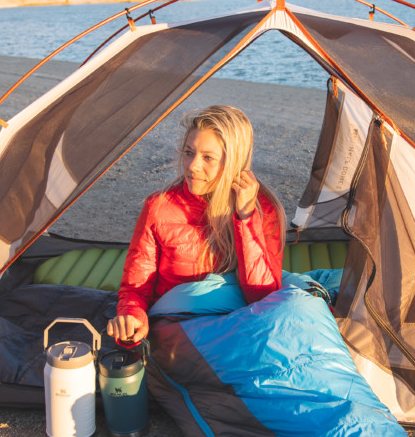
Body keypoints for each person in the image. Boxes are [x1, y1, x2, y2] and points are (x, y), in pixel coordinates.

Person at [107, 105, 285, 346]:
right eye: (189, 152)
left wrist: (245, 217)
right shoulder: (159, 207)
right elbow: (136, 289)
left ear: (233, 162)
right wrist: (131, 317)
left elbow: (262, 295)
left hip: (234, 326)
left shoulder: (262, 208)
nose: (192, 166)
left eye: (208, 158)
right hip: (178, 330)